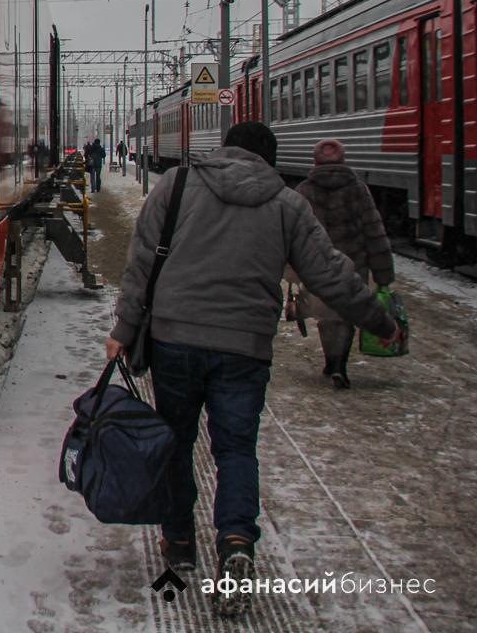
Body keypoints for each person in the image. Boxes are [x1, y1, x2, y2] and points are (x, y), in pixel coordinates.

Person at [105, 121, 399, 618]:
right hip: (245, 347)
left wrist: (125, 330)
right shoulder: (287, 204)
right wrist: (379, 320)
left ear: (225, 149)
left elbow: (140, 266)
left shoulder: (175, 186)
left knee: (175, 440)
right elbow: (330, 272)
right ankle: (237, 542)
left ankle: (178, 542)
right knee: (236, 448)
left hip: (175, 339)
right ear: (268, 159)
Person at [287, 138, 394, 389]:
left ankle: (330, 361)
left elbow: (293, 235)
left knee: (326, 315)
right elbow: (374, 233)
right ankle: (339, 365)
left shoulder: (303, 191)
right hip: (354, 264)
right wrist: (383, 275)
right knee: (346, 314)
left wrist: (291, 272)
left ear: (315, 161)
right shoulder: (359, 189)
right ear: (344, 160)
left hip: (315, 266)